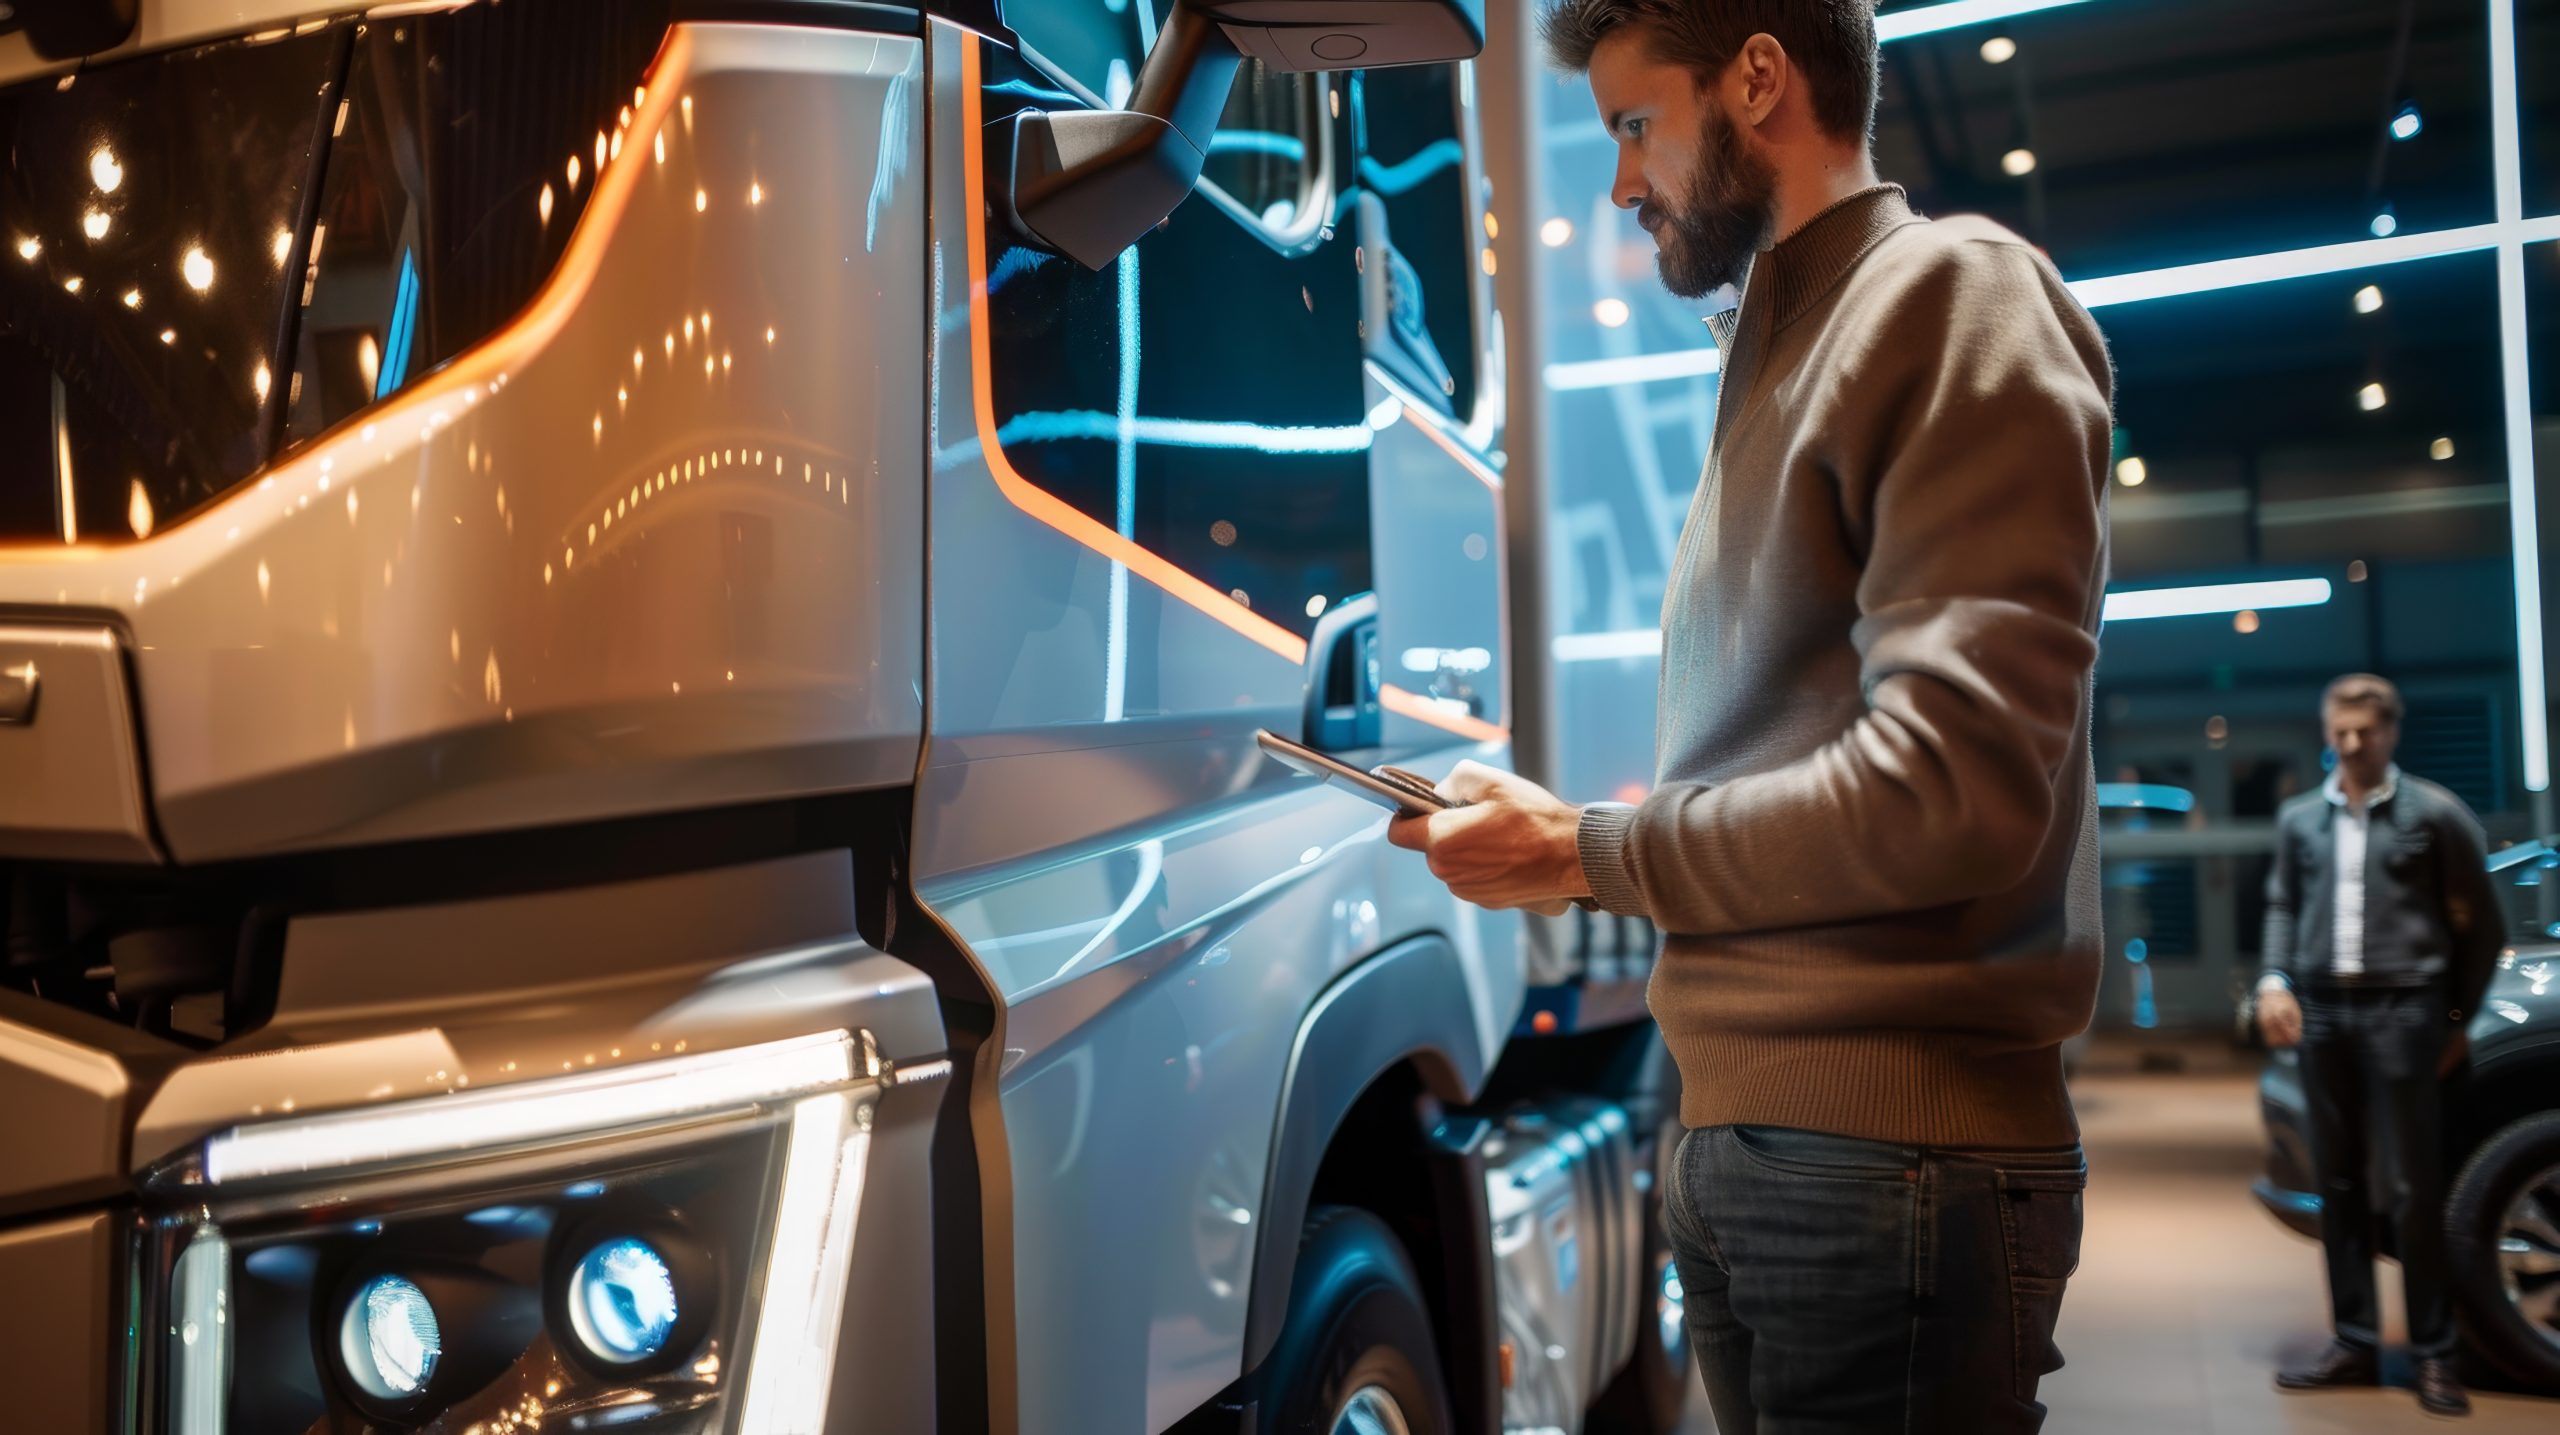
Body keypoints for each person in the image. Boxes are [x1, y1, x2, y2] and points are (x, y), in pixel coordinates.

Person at [1384, 2, 2113, 1429]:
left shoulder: (1951, 292)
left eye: (1633, 124)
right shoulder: (1766, 355)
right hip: (1759, 1143)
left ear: (1761, 79)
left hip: (1888, 1152)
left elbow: (1950, 791)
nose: (1618, 182)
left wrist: (1590, 850)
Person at [2255, 673, 2506, 1418]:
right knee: (2338, 1183)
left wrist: (2455, 1020)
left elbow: (2483, 927)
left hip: (2407, 1010)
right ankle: (2356, 1341)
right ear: (2327, 731)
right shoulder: (2301, 819)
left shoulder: (2434, 813)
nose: (2353, 743)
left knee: (2411, 1189)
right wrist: (2274, 979)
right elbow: (2281, 904)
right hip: (2324, 1013)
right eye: (2341, 731)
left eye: (2367, 731)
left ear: (2392, 731)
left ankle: (2434, 1353)